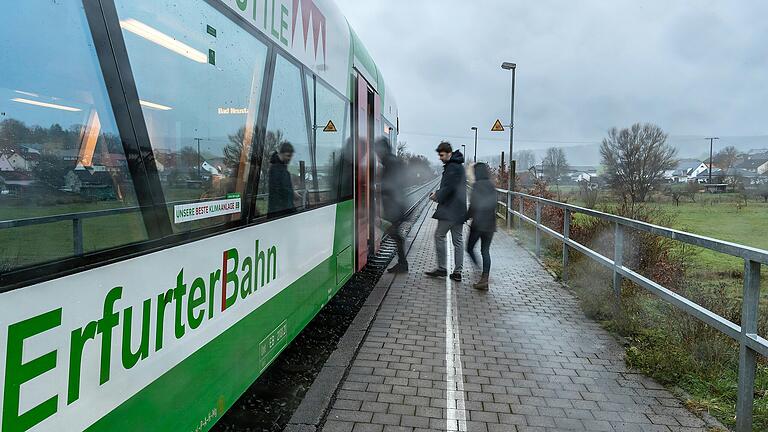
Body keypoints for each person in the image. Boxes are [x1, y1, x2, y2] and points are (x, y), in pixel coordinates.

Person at [425, 141, 467, 281]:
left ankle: (443, 268)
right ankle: (457, 272)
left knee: (439, 236)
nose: (440, 157)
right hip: (459, 210)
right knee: (458, 241)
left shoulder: (452, 167)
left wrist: (436, 196)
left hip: (450, 210)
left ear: (449, 153)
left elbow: (449, 188)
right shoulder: (457, 166)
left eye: (442, 155)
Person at [374, 137, 409, 273]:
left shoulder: (390, 162)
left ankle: (403, 264)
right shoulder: (391, 161)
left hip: (395, 206)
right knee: (394, 234)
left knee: (394, 233)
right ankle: (402, 263)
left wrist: (377, 187)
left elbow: (391, 184)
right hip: (396, 204)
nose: (376, 155)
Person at [465, 163, 496, 290]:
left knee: (470, 248)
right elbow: (494, 204)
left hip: (478, 224)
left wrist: (464, 218)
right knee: (485, 251)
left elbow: (473, 206)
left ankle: (478, 271)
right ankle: (484, 279)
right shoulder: (492, 186)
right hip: (490, 225)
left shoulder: (476, 186)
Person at [267, 142, 296, 216]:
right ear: (282, 153)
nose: (290, 159)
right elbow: (281, 192)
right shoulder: (277, 170)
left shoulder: (279, 168)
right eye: (288, 156)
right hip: (280, 213)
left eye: (291, 156)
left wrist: (292, 192)